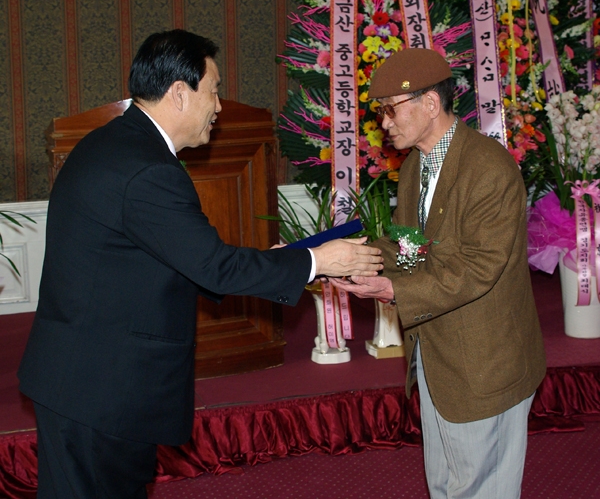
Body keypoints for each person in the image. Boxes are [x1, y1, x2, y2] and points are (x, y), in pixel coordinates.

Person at [17, 29, 383, 499]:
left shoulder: (114, 143)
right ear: (179, 93)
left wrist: (280, 262)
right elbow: (214, 267)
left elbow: (172, 256)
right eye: (213, 91)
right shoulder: (148, 169)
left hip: (80, 378)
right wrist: (318, 260)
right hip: (100, 391)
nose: (219, 107)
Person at [330, 48, 546, 498]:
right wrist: (344, 257)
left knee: (481, 489)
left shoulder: (488, 167)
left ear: (430, 103)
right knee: (445, 484)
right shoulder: (416, 166)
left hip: (484, 363)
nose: (383, 123)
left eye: (390, 110)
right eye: (380, 112)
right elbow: (410, 247)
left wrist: (393, 290)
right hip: (437, 356)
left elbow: (478, 268)